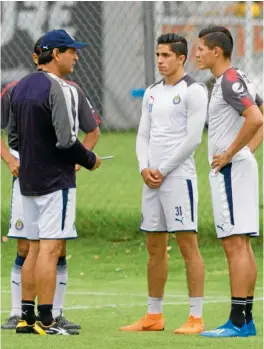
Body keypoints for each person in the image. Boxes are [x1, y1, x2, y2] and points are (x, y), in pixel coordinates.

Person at [1, 37, 101, 330]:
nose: (76, 58)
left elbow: (16, 138)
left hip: (27, 178)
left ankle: (25, 317)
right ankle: (47, 319)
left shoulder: (20, 87)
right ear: (56, 54)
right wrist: (89, 159)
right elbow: (67, 140)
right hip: (55, 179)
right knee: (50, 248)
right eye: (72, 52)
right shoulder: (62, 89)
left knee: (32, 247)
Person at [120, 33, 208, 334]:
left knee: (187, 245)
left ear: (181, 58)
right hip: (151, 180)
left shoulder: (194, 91)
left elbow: (193, 138)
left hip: (178, 178)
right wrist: (144, 168)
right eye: (158, 55)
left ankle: (196, 317)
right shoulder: (152, 92)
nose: (160, 60)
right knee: (154, 247)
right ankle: (153, 315)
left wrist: (164, 169)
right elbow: (143, 135)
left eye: (166, 55)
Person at [196, 25, 263, 338]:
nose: (196, 53)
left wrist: (231, 154)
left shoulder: (230, 80)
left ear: (216, 51)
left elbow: (256, 118)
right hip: (240, 167)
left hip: (230, 170)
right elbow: (260, 112)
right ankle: (245, 319)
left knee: (235, 245)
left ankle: (237, 321)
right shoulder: (240, 78)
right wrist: (247, 152)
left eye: (200, 48)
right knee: (242, 244)